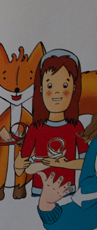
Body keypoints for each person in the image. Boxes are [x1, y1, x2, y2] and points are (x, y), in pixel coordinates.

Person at [15, 50, 87, 197]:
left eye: (65, 85)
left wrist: (63, 164)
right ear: (41, 89)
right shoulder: (36, 128)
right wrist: (18, 166)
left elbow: (86, 162)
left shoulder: (76, 127)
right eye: (50, 86)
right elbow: (23, 168)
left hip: (67, 191)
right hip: (40, 192)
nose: (57, 93)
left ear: (74, 88)